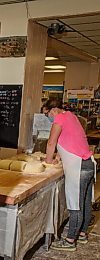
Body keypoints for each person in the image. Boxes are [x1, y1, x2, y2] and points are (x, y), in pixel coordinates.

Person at [42, 98, 95, 251]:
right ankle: (83, 234)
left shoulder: (59, 118)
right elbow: (71, 140)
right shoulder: (71, 116)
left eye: (47, 115)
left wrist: (48, 160)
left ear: (52, 110)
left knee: (75, 205)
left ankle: (70, 240)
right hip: (88, 164)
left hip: (78, 167)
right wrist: (58, 156)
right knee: (85, 203)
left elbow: (51, 142)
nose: (49, 118)